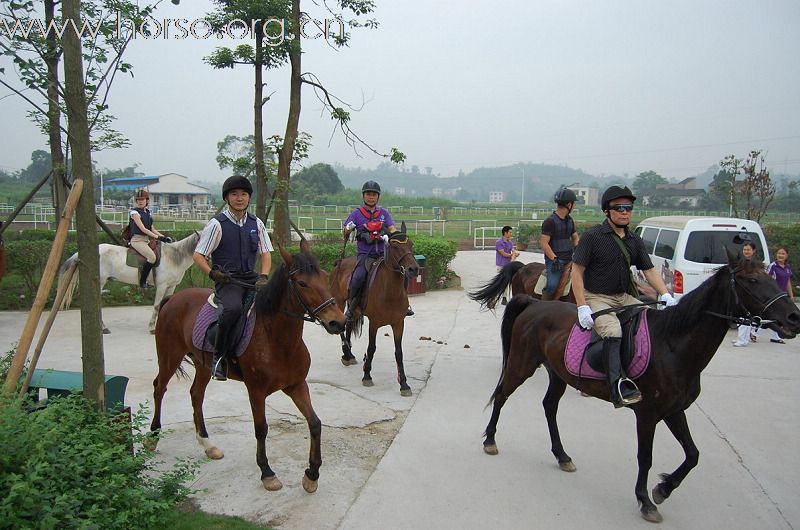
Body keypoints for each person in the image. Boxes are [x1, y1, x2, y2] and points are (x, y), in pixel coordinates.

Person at [571, 185, 676, 408]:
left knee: (650, 320)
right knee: (612, 330)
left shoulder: (634, 240)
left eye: (628, 207)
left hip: (623, 296)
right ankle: (616, 385)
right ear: (606, 211)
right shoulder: (592, 237)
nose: (624, 212)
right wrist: (582, 306)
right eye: (618, 208)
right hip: (597, 296)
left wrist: (666, 294)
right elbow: (577, 272)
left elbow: (648, 270)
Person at [193, 175, 273, 381]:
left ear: (249, 198)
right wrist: (212, 273)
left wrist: (263, 276)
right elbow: (198, 255)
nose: (240, 198)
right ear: (227, 198)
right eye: (234, 194)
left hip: (251, 278)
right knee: (233, 309)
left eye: (244, 194)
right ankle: (219, 358)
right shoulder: (216, 224)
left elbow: (265, 253)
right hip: (228, 281)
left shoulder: (257, 223)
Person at [343, 180, 408, 320]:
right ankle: (353, 305)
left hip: (384, 254)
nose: (371, 197)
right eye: (368, 194)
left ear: (378, 197)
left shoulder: (383, 213)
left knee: (404, 272)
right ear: (363, 196)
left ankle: (405, 304)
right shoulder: (356, 214)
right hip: (366, 255)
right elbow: (346, 229)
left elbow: (392, 228)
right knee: (358, 277)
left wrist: (394, 235)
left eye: (373, 194)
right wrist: (348, 230)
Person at [540, 188, 580, 300]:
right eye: (574, 204)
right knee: (552, 286)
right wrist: (554, 258)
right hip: (555, 261)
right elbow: (544, 243)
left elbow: (575, 237)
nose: (574, 206)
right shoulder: (550, 221)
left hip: (569, 258)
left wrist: (579, 249)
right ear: (569, 204)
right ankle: (544, 307)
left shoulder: (570, 220)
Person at [128, 189, 173, 288]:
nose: (140, 201)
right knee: (152, 257)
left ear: (147, 200)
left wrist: (164, 237)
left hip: (145, 240)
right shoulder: (134, 213)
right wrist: (159, 238)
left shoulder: (148, 213)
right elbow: (143, 229)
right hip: (137, 240)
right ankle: (142, 282)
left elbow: (152, 229)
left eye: (142, 199)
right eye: (138, 199)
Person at [732, 242, 760, 347]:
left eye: (748, 250)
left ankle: (743, 340)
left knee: (746, 316)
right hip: (742, 291)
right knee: (741, 315)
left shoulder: (755, 263)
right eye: (744, 250)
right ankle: (741, 338)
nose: (746, 252)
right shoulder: (742, 262)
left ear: (753, 251)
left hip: (750, 293)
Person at [766, 246, 794, 344]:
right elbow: (768, 281)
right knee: (769, 316)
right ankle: (754, 332)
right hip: (774, 296)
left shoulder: (787, 267)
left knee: (779, 316)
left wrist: (791, 295)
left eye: (783, 254)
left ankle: (776, 337)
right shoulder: (773, 266)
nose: (780, 255)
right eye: (779, 253)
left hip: (782, 296)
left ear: (786, 255)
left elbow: (788, 282)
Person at [495, 226, 520, 305]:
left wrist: (515, 253)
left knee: (507, 282)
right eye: (510, 232)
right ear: (505, 233)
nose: (511, 234)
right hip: (501, 265)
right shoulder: (499, 242)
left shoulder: (510, 242)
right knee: (501, 282)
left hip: (508, 265)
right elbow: (502, 253)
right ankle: (497, 297)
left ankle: (504, 298)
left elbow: (512, 250)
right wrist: (512, 255)